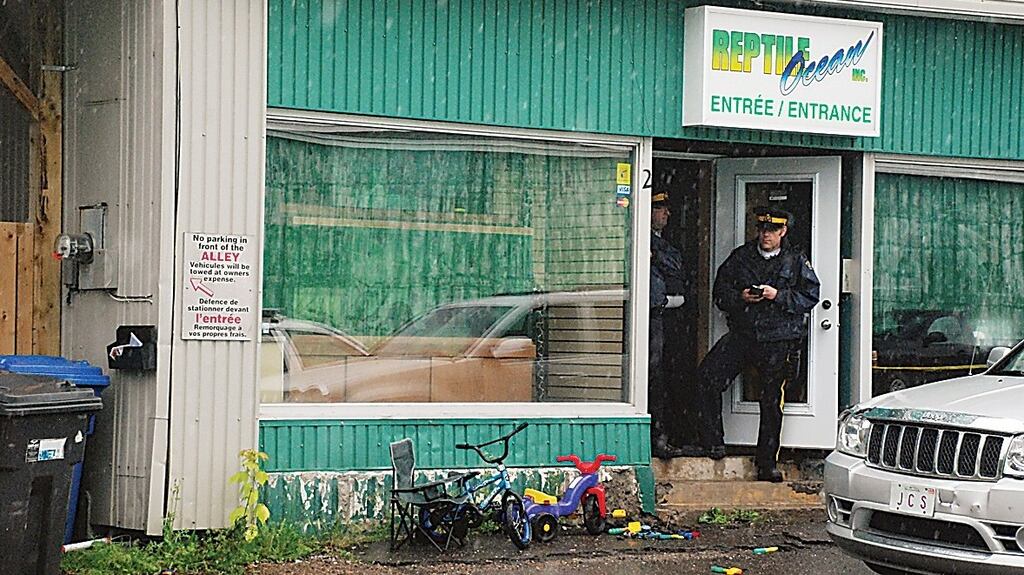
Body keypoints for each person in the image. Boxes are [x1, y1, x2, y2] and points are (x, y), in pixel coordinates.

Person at [695, 206, 820, 481]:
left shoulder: (795, 260)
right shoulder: (741, 257)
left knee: (771, 400)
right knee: (708, 377)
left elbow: (810, 297)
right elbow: (720, 291)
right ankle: (713, 443)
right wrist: (740, 296)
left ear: (783, 231)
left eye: (773, 230)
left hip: (778, 338)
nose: (766, 235)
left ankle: (766, 463)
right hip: (744, 333)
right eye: (763, 229)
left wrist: (778, 296)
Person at [649, 191, 690, 459]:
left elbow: (677, 268)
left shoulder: (661, 245)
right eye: (660, 208)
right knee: (652, 378)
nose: (666, 213)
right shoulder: (641, 240)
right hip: (649, 318)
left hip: (668, 318)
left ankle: (668, 434)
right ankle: (657, 437)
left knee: (668, 376)